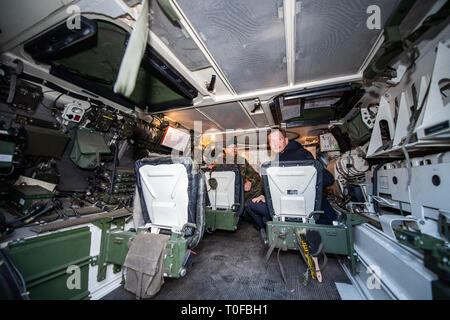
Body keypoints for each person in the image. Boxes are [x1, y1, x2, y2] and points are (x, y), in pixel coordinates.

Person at [247, 128, 336, 243]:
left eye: (278, 139)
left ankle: (267, 230)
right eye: (272, 141)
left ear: (286, 140)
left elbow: (328, 179)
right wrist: (264, 195)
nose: (275, 144)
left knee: (250, 205)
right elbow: (329, 179)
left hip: (285, 211)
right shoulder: (302, 154)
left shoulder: (295, 157)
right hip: (310, 213)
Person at [207, 139, 263, 216]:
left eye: (235, 147)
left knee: (258, 185)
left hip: (243, 192)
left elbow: (255, 175)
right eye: (231, 147)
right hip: (227, 192)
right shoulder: (220, 162)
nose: (234, 149)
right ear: (225, 150)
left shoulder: (242, 160)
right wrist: (211, 168)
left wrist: (250, 182)